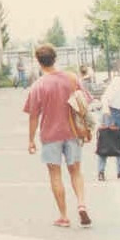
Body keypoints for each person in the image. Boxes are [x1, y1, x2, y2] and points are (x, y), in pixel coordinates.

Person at [23, 44, 90, 228]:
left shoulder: (38, 85)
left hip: (50, 135)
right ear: (55, 58)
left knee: (55, 174)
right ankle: (82, 204)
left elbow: (33, 116)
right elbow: (85, 101)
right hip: (73, 132)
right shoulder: (71, 78)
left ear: (39, 62)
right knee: (75, 171)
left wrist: (30, 140)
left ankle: (63, 216)